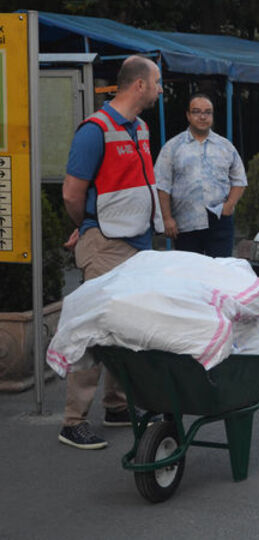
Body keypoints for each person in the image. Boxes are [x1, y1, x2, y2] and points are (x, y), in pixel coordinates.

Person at [58, 56, 164, 449]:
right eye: (157, 82)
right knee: (93, 329)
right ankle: (72, 421)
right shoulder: (94, 130)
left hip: (137, 244)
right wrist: (89, 225)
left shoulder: (141, 127)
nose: (160, 89)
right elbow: (72, 193)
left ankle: (116, 405)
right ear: (139, 85)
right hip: (106, 245)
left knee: (126, 327)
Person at [155, 94, 247, 257]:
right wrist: (167, 218)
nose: (202, 116)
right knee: (190, 276)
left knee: (220, 273)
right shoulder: (172, 147)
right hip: (185, 224)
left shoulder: (225, 146)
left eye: (207, 112)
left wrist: (229, 206)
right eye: (196, 112)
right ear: (188, 115)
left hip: (219, 219)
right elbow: (162, 185)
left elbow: (239, 179)